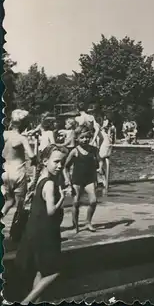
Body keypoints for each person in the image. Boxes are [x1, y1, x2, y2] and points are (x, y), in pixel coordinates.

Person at [15, 144, 71, 304]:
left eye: (62, 162)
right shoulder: (50, 183)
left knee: (40, 271)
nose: (60, 165)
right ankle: (26, 302)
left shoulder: (40, 178)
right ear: (45, 161)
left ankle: (36, 302)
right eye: (56, 162)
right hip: (46, 233)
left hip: (34, 231)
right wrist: (62, 197)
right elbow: (51, 210)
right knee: (53, 272)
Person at [2, 110, 37, 230]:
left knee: (9, 201)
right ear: (24, 124)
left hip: (5, 171)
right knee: (20, 204)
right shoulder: (21, 139)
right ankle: (16, 231)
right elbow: (32, 156)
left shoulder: (5, 134)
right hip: (18, 172)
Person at [63, 125, 101, 233]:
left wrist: (100, 170)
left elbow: (99, 161)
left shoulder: (93, 150)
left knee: (93, 201)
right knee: (76, 202)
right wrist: (67, 180)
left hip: (89, 179)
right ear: (77, 139)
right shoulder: (74, 151)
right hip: (77, 180)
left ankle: (88, 222)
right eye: (82, 137)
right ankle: (75, 225)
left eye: (87, 137)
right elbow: (65, 167)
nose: (85, 139)